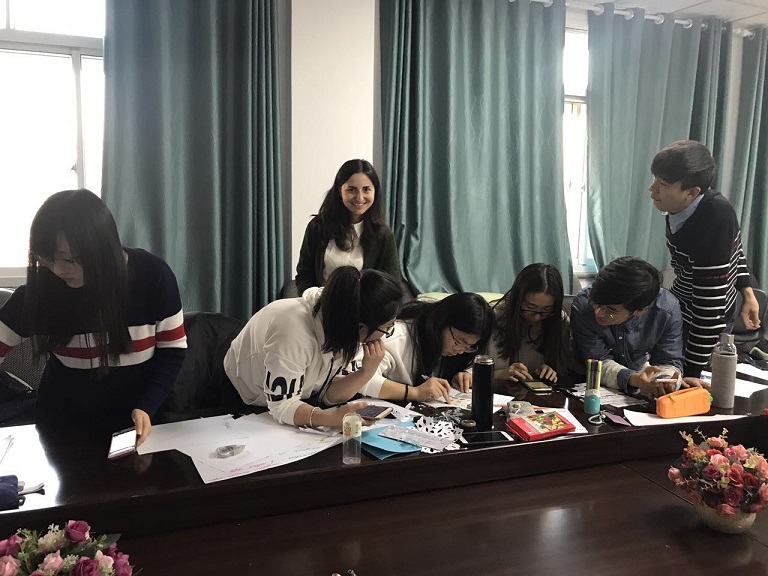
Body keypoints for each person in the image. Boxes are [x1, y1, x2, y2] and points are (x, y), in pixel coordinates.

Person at [0, 190, 187, 444]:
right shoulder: (43, 289)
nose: (57, 271)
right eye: (47, 259)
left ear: (101, 248)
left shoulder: (153, 277)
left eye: (68, 260)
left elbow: (173, 350)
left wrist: (147, 406)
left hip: (138, 423)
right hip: (63, 429)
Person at [224, 266, 403, 427]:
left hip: (295, 398)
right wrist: (330, 418)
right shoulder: (293, 330)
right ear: (361, 326)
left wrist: (366, 372)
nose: (386, 335)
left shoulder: (346, 318)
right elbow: (282, 405)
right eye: (387, 328)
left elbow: (328, 393)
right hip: (240, 392)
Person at [649, 140, 760, 377]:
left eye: (663, 184)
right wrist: (748, 293)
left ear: (692, 192)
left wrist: (691, 371)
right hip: (683, 302)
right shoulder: (681, 206)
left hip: (705, 317)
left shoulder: (715, 218)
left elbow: (709, 313)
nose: (652, 189)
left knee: (687, 382)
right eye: (655, 179)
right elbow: (735, 249)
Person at [570, 257, 684, 399]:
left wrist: (663, 381)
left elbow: (669, 361)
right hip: (587, 386)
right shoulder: (583, 305)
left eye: (611, 310)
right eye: (597, 303)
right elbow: (596, 363)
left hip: (637, 390)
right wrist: (635, 379)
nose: (598, 312)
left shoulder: (666, 309)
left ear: (639, 311)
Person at [355, 293, 494, 401]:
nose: (461, 351)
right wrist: (414, 393)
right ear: (441, 321)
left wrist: (465, 374)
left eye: (469, 346)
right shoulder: (397, 337)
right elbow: (359, 379)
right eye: (458, 341)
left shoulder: (453, 350)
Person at [294, 159, 401, 296]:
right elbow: (304, 274)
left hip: (366, 307)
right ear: (340, 190)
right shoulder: (317, 227)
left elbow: (392, 285)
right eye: (351, 190)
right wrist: (313, 298)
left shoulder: (384, 236)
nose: (359, 198)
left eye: (366, 190)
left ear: (375, 192)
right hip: (318, 303)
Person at [489, 263, 570, 384]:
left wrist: (549, 371)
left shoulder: (559, 321)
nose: (537, 316)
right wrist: (499, 374)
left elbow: (563, 370)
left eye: (546, 310)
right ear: (518, 299)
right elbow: (468, 374)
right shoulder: (493, 316)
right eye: (530, 307)